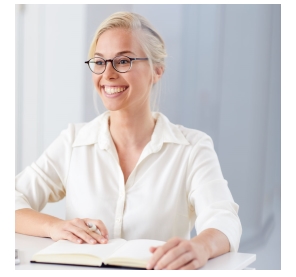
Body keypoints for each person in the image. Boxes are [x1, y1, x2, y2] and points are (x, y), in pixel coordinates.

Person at [15, 11, 242, 270]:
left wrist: (201, 247)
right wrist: (54, 226)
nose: (108, 74)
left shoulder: (192, 148)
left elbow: (224, 219)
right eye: (100, 62)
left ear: (157, 71)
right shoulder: (73, 142)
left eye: (123, 61)